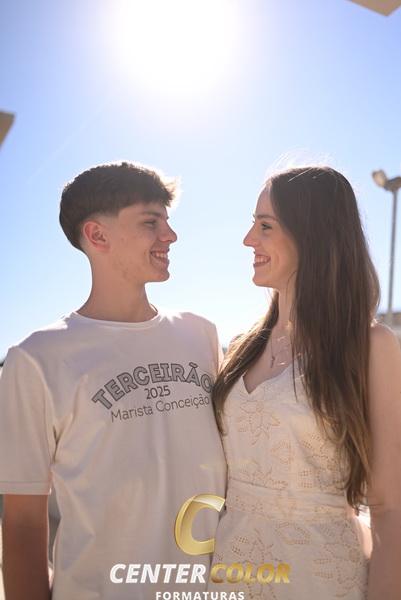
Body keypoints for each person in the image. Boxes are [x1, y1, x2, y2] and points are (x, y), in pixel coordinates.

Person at [0, 161, 226, 600]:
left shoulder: (201, 335)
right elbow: (23, 522)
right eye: (150, 222)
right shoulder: (36, 359)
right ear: (97, 236)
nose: (170, 235)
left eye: (167, 222)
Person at [209, 166, 401, 599]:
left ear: (311, 234)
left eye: (265, 226)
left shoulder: (370, 346)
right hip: (228, 575)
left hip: (319, 579)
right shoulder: (240, 348)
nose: (248, 239)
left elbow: (390, 507)